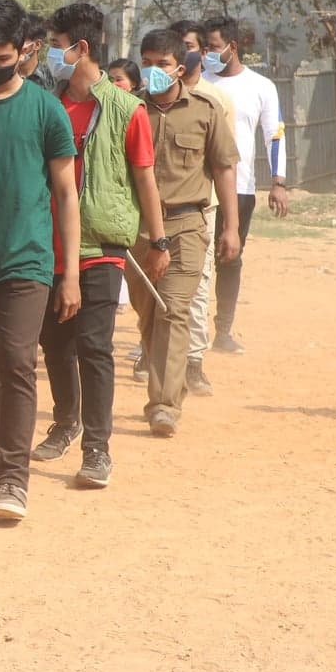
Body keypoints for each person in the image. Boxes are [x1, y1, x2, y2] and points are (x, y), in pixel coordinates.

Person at [0, 0, 80, 523]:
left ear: (25, 52)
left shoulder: (45, 110)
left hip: (27, 261)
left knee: (18, 365)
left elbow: (67, 193)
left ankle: (13, 480)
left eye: (0, 57)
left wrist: (68, 273)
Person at [34, 3, 166, 487]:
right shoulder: (46, 104)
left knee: (94, 346)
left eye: (56, 43)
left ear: (80, 47)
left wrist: (159, 238)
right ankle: (65, 421)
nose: (51, 53)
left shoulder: (128, 110)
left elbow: (144, 177)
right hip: (47, 245)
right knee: (55, 345)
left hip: (102, 243)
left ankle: (97, 448)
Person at [132, 29, 239, 438]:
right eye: (147, 61)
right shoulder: (129, 111)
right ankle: (166, 380)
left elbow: (224, 168)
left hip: (188, 224)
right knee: (148, 314)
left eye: (162, 63)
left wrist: (230, 227)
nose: (153, 70)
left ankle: (164, 404)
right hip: (139, 229)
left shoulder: (205, 111)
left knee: (173, 309)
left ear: (180, 67)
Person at [200, 17, 289, 354]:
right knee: (192, 260)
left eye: (213, 46)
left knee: (230, 257)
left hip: (241, 188)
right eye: (204, 46)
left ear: (232, 48)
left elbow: (275, 134)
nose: (207, 53)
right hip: (199, 187)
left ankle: (223, 329)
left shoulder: (261, 86)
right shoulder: (200, 84)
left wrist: (278, 182)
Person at [167, 19, 233, 393]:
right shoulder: (147, 101)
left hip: (198, 211)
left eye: (191, 46)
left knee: (196, 286)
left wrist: (229, 223)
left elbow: (224, 163)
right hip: (154, 213)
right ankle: (153, 351)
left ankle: (193, 359)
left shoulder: (215, 101)